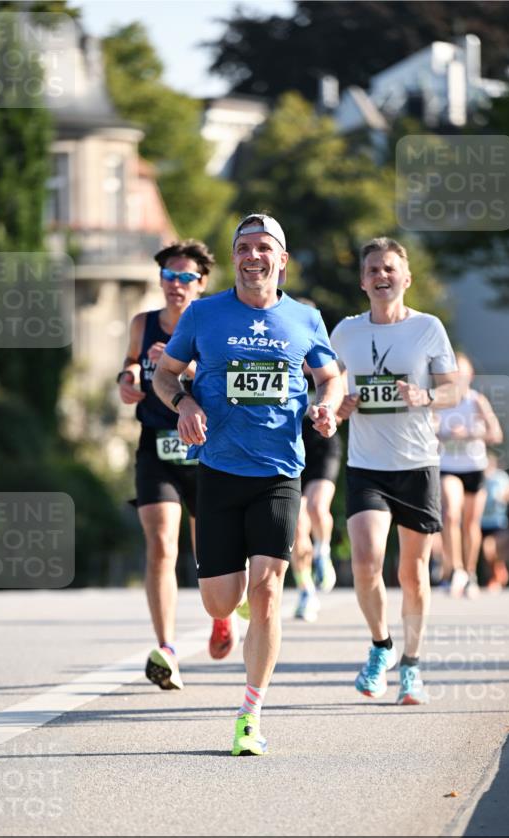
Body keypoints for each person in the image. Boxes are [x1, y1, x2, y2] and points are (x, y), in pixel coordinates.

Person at [153, 213, 343, 755]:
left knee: (267, 591)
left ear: (281, 260)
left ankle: (250, 714)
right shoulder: (204, 314)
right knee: (220, 601)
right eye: (243, 248)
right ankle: (227, 616)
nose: (253, 256)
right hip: (218, 470)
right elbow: (167, 374)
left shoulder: (305, 318)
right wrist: (184, 402)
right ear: (234, 257)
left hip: (280, 474)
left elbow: (330, 376)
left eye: (264, 248)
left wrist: (326, 407)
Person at [332, 236, 459, 706]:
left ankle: (412, 664)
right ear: (363, 281)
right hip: (367, 466)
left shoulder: (427, 328)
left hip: (417, 464)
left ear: (406, 278)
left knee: (413, 572)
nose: (381, 276)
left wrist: (427, 397)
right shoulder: (344, 332)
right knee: (365, 561)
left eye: (389, 269)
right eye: (373, 270)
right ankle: (381, 645)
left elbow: (452, 389)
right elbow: (326, 387)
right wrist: (337, 406)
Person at [118, 239, 237, 693]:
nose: (177, 285)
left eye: (187, 277)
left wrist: (179, 371)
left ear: (202, 284)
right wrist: (128, 377)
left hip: (205, 447)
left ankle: (222, 616)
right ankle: (166, 648)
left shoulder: (212, 323)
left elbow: (224, 384)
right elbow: (130, 364)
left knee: (208, 552)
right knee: (162, 545)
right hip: (156, 448)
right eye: (170, 276)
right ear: (161, 280)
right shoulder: (142, 323)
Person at [437, 352, 503, 598]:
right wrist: (441, 433)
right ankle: (455, 569)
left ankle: (471, 573)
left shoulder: (477, 401)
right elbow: (427, 430)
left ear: (470, 375)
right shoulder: (440, 401)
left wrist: (468, 433)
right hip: (448, 467)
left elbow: (496, 434)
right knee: (450, 513)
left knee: (470, 524)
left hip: (474, 467)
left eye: (461, 372)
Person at [290, 359, 342, 622]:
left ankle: (323, 550)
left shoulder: (330, 368)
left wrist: (333, 413)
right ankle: (305, 590)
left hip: (323, 447)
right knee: (297, 524)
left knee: (317, 507)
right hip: (291, 447)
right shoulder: (282, 361)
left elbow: (343, 405)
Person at [480, 454, 509, 590]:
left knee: (490, 549)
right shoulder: (479, 477)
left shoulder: (501, 477)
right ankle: (498, 572)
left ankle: (496, 575)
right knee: (487, 553)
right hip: (482, 522)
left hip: (498, 521)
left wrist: (503, 497)